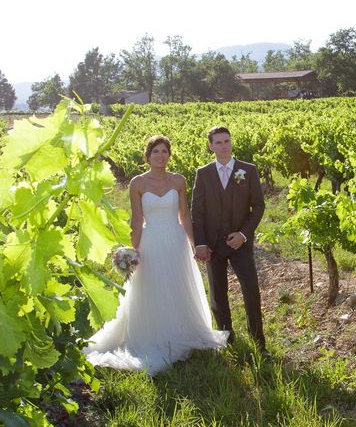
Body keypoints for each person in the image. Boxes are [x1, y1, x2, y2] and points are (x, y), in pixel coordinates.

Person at [83, 135, 228, 375]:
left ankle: (181, 332)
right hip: (150, 243)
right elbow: (137, 219)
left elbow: (185, 216)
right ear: (148, 156)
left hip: (175, 240)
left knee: (175, 286)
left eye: (164, 152)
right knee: (151, 288)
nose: (160, 156)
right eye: (156, 152)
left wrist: (194, 246)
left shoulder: (178, 180)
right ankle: (152, 335)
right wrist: (134, 251)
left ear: (169, 155)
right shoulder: (137, 184)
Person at [191, 126, 267, 353]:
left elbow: (259, 206)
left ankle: (259, 342)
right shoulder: (203, 173)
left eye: (227, 141)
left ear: (232, 142)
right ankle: (226, 338)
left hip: (240, 244)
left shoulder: (248, 170)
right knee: (218, 292)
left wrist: (243, 234)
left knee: (251, 289)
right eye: (219, 142)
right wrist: (201, 243)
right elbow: (197, 210)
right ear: (211, 146)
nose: (224, 146)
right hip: (213, 245)